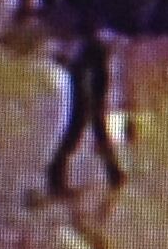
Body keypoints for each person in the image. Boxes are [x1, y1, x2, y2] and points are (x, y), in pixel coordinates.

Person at [43, 27, 122, 197]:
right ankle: (56, 176)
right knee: (83, 123)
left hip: (88, 59)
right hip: (87, 60)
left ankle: (113, 172)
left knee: (89, 123)